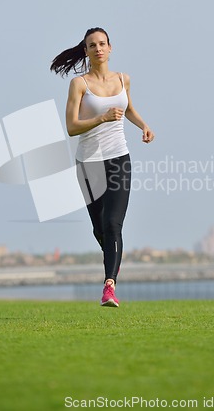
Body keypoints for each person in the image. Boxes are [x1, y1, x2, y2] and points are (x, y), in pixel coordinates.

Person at [50, 27, 154, 307]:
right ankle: (113, 255)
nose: (98, 48)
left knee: (112, 224)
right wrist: (102, 118)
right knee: (100, 230)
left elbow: (128, 107)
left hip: (119, 158)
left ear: (110, 48)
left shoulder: (123, 79)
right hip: (88, 164)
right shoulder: (79, 84)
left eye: (102, 44)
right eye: (92, 45)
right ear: (86, 51)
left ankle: (109, 286)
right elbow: (72, 127)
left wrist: (143, 125)